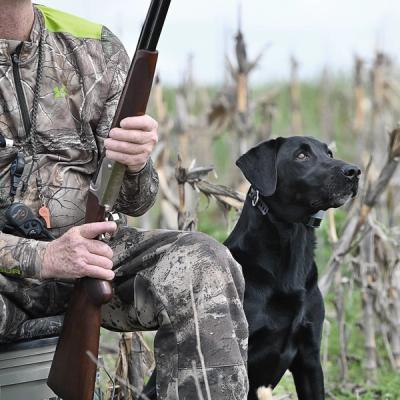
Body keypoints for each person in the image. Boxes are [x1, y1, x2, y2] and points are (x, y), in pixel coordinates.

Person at [0, 1, 249, 399]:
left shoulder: (92, 47)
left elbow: (136, 201)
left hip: (89, 262)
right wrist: (44, 258)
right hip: (8, 277)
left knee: (203, 264)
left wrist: (135, 164)